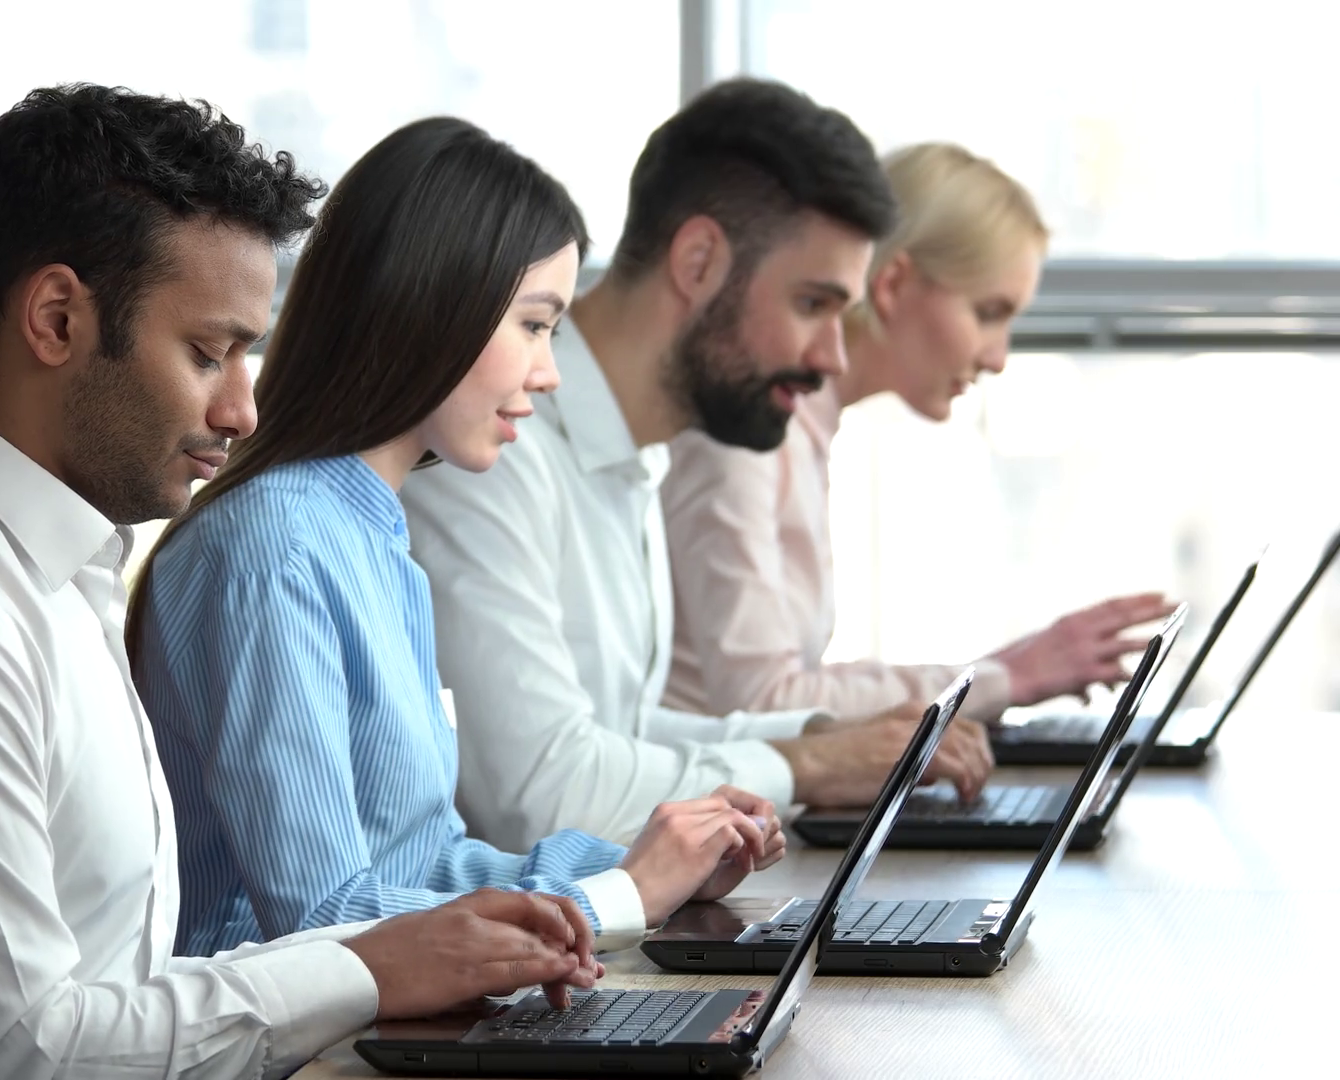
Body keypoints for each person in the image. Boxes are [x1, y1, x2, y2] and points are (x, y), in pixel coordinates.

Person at [0, 85, 608, 1080]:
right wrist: (366, 969)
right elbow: (22, 1057)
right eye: (208, 353)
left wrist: (388, 959)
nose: (243, 410)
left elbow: (112, 995)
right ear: (56, 319)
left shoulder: (47, 572)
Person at [128, 118, 785, 960]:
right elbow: (323, 921)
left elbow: (425, 865)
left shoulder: (368, 537)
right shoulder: (274, 552)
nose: (546, 375)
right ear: (433, 305)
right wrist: (620, 894)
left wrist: (647, 863)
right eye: (536, 326)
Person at [399, 79, 995, 852]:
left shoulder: (634, 450)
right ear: (700, 261)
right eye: (814, 306)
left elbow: (621, 728)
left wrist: (832, 736)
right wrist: (803, 763)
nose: (833, 356)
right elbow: (539, 795)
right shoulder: (495, 453)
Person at [661, 142, 1174, 724]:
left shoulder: (807, 430)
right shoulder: (746, 437)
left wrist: (999, 670)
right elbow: (764, 702)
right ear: (895, 284)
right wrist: (1007, 678)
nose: (998, 357)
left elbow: (788, 687)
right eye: (987, 313)